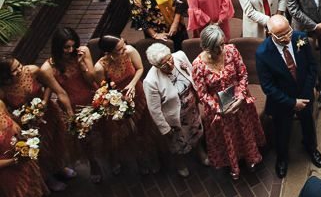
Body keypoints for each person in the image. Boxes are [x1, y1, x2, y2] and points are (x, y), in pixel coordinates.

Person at [192, 24, 265, 180]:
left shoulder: (231, 50)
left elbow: (243, 75)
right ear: (206, 47)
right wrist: (220, 109)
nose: (221, 49)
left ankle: (251, 158)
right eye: (216, 47)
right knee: (228, 138)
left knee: (245, 132)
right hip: (219, 110)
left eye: (222, 44)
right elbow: (202, 94)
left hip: (240, 101)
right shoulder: (198, 65)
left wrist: (239, 98)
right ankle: (233, 164)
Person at [257, 14, 321, 178]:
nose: (287, 37)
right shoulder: (263, 54)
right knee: (282, 131)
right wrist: (292, 102)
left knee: (308, 124)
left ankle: (311, 148)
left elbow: (312, 68)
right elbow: (268, 87)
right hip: (282, 101)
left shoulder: (300, 38)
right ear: (270, 34)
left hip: (305, 94)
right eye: (281, 35)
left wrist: (306, 94)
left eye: (288, 32)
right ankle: (282, 159)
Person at [0, 56, 73, 190]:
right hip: (29, 124)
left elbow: (47, 86)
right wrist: (23, 118)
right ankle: (48, 178)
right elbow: (6, 111)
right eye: (14, 70)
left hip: (48, 113)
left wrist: (44, 102)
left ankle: (59, 168)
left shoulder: (33, 71)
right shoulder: (3, 91)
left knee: (56, 142)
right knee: (40, 151)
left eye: (19, 66)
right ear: (6, 76)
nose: (20, 70)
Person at [42, 28, 102, 182]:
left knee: (105, 128)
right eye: (66, 47)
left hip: (92, 95)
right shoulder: (48, 68)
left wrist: (82, 65)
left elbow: (92, 80)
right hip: (73, 103)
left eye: (72, 46)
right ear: (57, 47)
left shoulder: (83, 52)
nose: (70, 50)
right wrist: (70, 114)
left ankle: (113, 156)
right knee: (85, 138)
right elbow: (60, 93)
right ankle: (94, 164)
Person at [94, 35, 159, 174]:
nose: (124, 50)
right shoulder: (100, 68)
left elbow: (140, 68)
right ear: (108, 52)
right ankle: (139, 159)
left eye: (124, 45)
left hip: (138, 94)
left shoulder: (129, 51)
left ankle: (150, 155)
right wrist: (118, 98)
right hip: (121, 104)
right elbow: (103, 90)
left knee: (145, 127)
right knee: (130, 133)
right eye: (119, 49)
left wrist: (132, 84)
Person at [144, 43, 207, 177]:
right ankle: (180, 163)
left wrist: (199, 96)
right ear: (155, 66)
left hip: (192, 109)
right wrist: (165, 129)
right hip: (174, 118)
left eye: (169, 59)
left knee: (196, 132)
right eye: (163, 64)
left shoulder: (179, 56)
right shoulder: (151, 81)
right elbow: (154, 109)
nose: (169, 64)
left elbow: (193, 76)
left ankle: (200, 150)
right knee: (178, 144)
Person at [0, 99, 51, 197]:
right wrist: (13, 161)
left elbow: (12, 122)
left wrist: (25, 139)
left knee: (27, 191)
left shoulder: (0, 104)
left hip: (20, 157)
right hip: (5, 169)